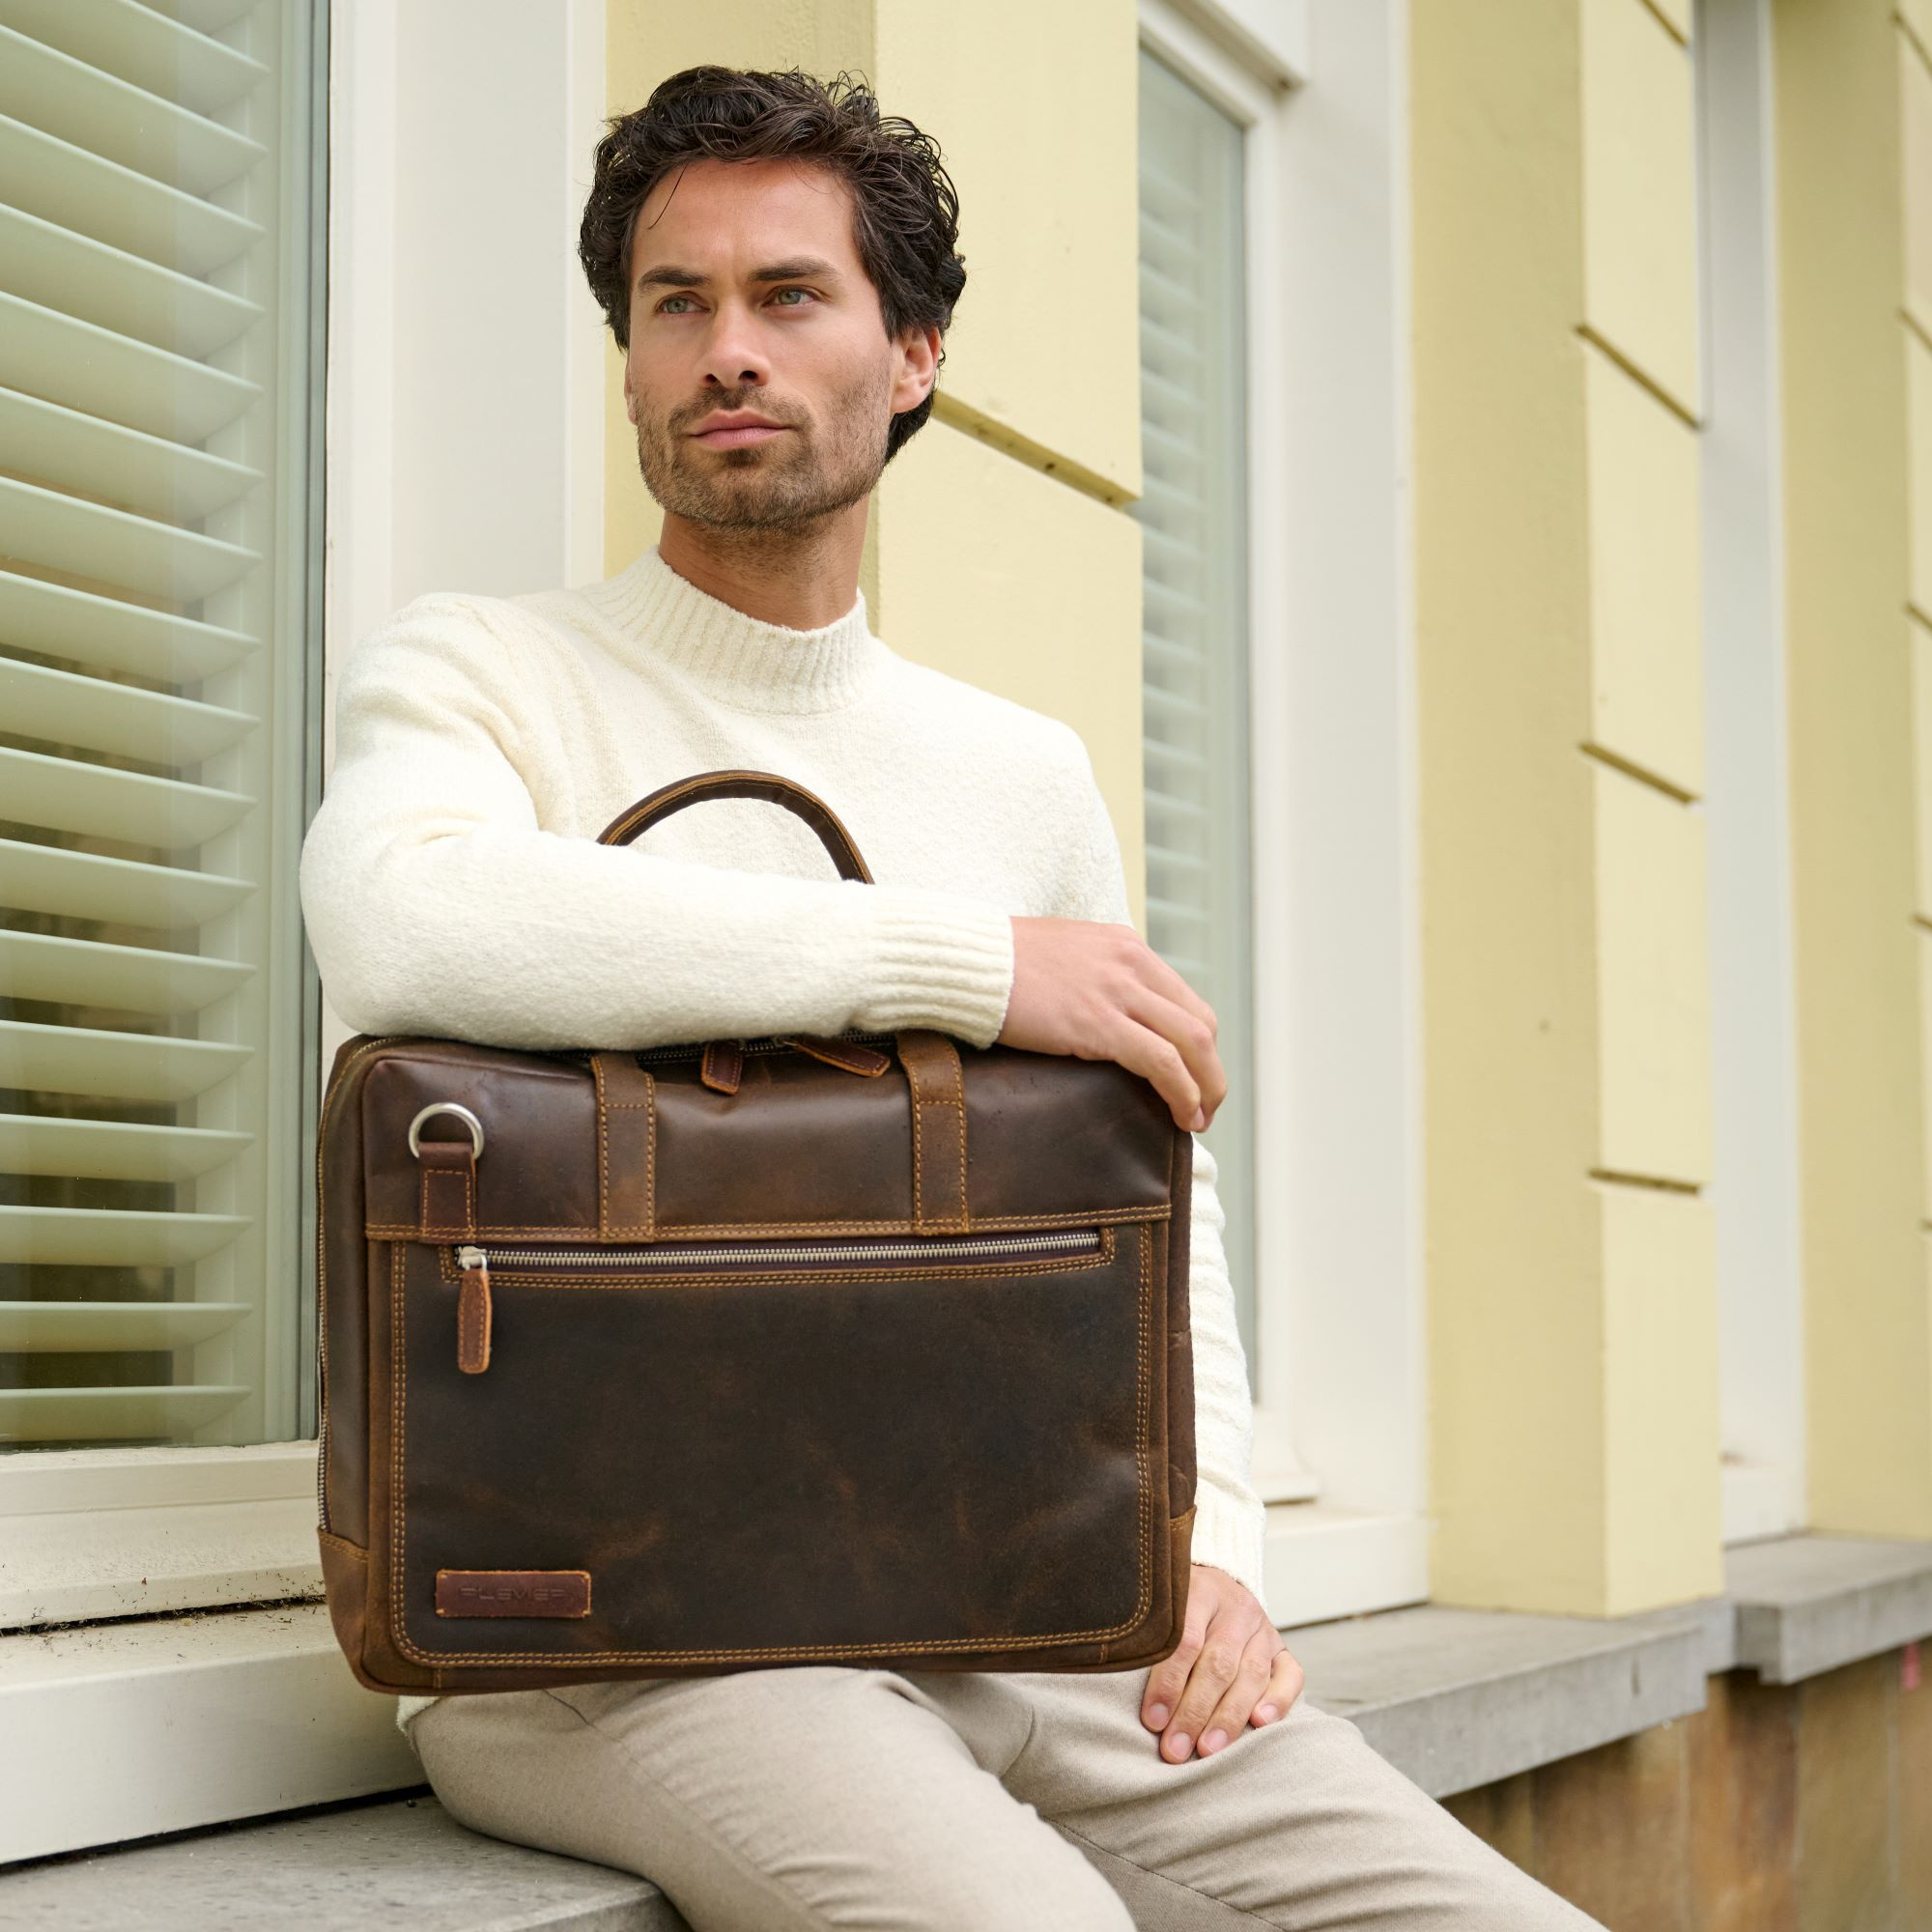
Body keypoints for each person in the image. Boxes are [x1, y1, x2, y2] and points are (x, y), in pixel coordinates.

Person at [298, 62, 1602, 1932]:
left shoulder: (1018, 773)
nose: (725, 350)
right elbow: (403, 922)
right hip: (619, 1640)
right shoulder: (486, 675)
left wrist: (1213, 1547)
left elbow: (1152, 1185)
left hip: (1029, 1610)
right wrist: (971, 968)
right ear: (631, 360)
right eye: (675, 304)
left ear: (913, 355)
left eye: (788, 295)